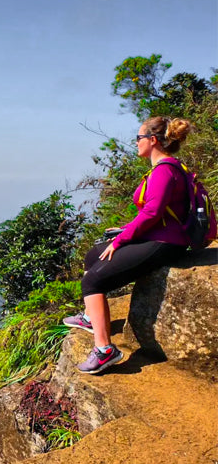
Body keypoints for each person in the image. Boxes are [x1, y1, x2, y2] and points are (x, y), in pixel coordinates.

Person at [63, 116, 202, 374]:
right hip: (162, 236)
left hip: (165, 242)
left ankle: (105, 350)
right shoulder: (170, 167)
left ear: (152, 140)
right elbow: (158, 212)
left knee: (92, 282)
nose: (136, 142)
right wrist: (125, 230)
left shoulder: (164, 170)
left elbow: (152, 213)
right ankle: (91, 317)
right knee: (93, 255)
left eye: (139, 137)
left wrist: (121, 239)